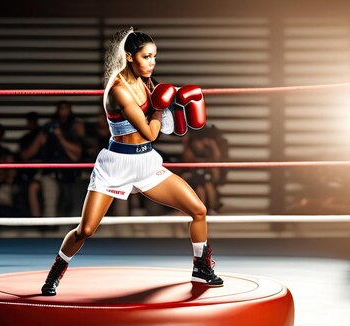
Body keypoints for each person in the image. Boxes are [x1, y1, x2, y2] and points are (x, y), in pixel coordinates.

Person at [41, 28, 223, 296]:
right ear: (129, 56)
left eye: (154, 57)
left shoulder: (148, 83)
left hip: (147, 163)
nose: (152, 63)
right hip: (116, 165)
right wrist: (161, 108)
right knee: (86, 230)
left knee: (198, 210)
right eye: (146, 57)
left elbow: (162, 131)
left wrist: (176, 112)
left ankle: (201, 267)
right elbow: (151, 131)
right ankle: (54, 274)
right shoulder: (119, 90)